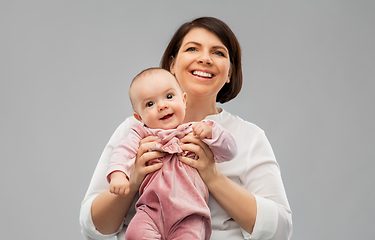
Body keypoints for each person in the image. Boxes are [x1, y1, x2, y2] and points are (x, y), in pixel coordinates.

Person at [80, 16, 293, 240]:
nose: (205, 59)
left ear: (229, 73)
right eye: (193, 49)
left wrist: (213, 177)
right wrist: (133, 181)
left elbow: (280, 231)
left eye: (218, 53)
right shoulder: (135, 129)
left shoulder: (249, 137)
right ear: (172, 64)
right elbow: (91, 228)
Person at [107, 67, 237, 239]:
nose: (162, 106)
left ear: (184, 100)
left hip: (190, 214)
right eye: (150, 104)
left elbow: (230, 152)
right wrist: (118, 175)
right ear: (139, 117)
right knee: (134, 233)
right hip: (149, 212)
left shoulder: (196, 130)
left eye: (169, 96)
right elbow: (122, 151)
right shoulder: (141, 134)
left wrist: (212, 133)